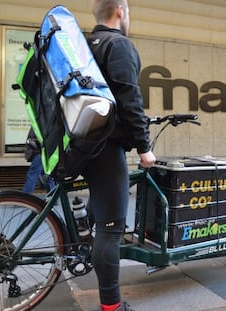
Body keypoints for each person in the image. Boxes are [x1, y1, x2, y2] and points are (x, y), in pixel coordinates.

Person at [84, 1, 156, 310]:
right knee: (111, 229)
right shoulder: (119, 44)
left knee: (97, 207)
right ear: (120, 12)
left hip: (77, 145)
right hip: (104, 146)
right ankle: (111, 305)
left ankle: (83, 240)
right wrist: (144, 147)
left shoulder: (84, 45)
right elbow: (130, 99)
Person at [23, 128, 55, 193]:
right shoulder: (48, 122)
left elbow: (33, 139)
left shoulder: (41, 121)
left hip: (40, 152)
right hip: (47, 152)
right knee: (48, 176)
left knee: (32, 175)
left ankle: (25, 197)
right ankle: (53, 197)